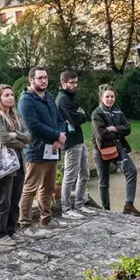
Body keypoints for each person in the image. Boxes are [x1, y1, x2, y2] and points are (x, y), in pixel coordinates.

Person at [17, 67, 67, 236]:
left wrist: (60, 136)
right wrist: (56, 135)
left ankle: (46, 218)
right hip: (37, 150)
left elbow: (60, 120)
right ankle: (25, 224)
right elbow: (33, 125)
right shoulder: (26, 100)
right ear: (31, 80)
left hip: (52, 150)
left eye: (45, 77)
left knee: (48, 187)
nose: (43, 81)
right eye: (40, 78)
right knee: (30, 188)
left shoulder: (49, 98)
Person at [0, 84, 33, 245]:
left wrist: (16, 134)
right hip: (3, 164)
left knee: (15, 198)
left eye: (12, 95)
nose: (11, 98)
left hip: (19, 161)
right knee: (3, 199)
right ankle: (0, 234)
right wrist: (21, 143)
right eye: (6, 95)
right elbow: (4, 138)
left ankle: (11, 230)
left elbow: (28, 136)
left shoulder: (15, 116)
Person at [91, 85, 140, 216]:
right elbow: (101, 134)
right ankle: (106, 209)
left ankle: (129, 205)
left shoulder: (118, 112)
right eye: (107, 96)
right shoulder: (97, 113)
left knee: (131, 171)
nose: (110, 99)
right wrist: (119, 131)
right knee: (103, 181)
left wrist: (113, 129)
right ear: (102, 98)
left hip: (118, 147)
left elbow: (128, 128)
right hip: (101, 149)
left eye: (112, 96)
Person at [55, 70, 101, 218]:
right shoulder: (62, 99)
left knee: (85, 174)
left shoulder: (70, 98)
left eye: (76, 82)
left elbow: (82, 115)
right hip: (71, 141)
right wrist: (79, 115)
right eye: (72, 82)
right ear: (63, 83)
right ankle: (66, 208)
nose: (75, 85)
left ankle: (80, 204)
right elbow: (77, 118)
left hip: (79, 140)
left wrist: (79, 115)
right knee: (70, 175)